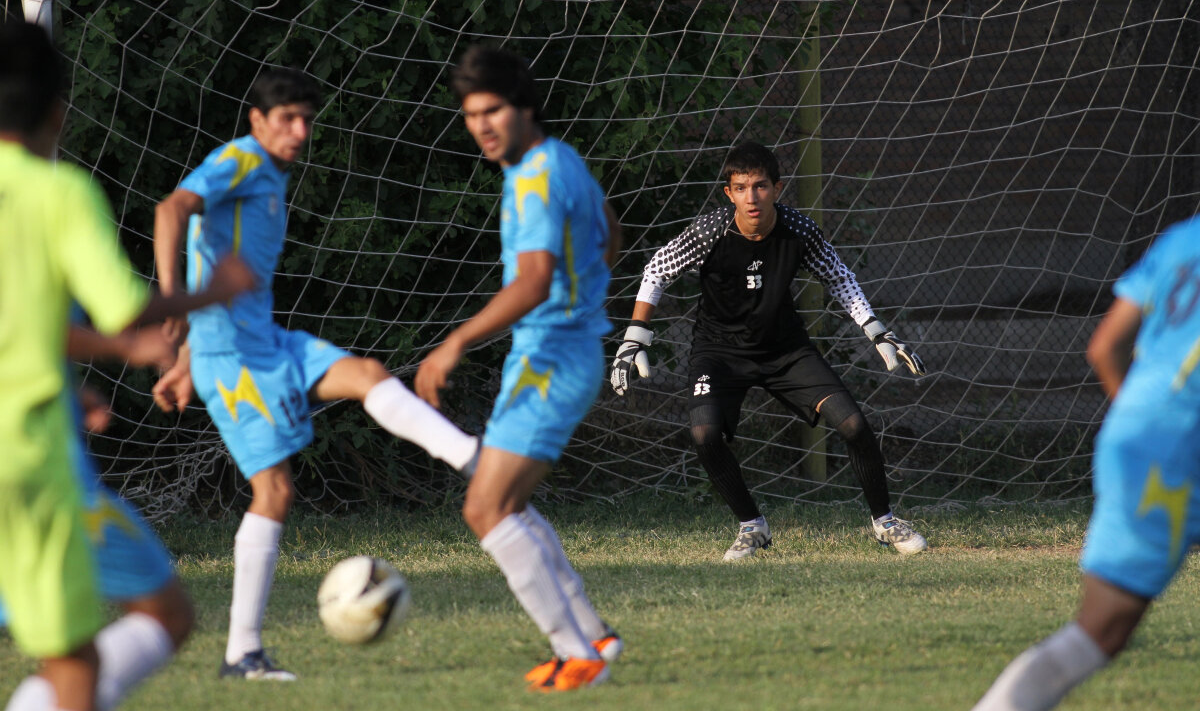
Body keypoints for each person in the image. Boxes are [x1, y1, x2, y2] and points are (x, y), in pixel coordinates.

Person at [152, 66, 481, 681]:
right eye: (287, 119)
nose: (299, 131)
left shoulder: (270, 175)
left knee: (367, 374)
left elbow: (208, 261)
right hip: (237, 360)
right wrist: (173, 305)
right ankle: (242, 652)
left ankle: (471, 459)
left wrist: (186, 360)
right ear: (257, 120)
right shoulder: (240, 160)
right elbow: (172, 211)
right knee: (274, 492)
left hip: (265, 342)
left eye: (307, 120)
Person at [0, 20, 253, 711]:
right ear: (58, 112)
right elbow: (124, 308)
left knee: (122, 632)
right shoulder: (57, 194)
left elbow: (28, 324)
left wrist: (80, 375)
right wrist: (213, 292)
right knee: (79, 659)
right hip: (33, 461)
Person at [415, 45, 622, 692]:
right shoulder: (561, 160)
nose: (481, 125)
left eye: (493, 110)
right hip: (554, 354)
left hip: (552, 359)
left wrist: (454, 342)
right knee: (504, 502)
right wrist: (585, 297)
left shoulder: (535, 177)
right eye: (472, 114)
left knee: (486, 507)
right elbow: (611, 233)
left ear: (525, 107)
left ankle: (577, 654)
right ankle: (593, 636)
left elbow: (533, 281)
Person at [610, 142, 928, 560]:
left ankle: (885, 522)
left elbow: (838, 276)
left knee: (853, 424)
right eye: (741, 188)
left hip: (785, 349)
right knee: (704, 434)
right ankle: (752, 526)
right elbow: (657, 268)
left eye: (760, 186)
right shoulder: (710, 232)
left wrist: (876, 330)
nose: (752, 197)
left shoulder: (798, 230)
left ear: (777, 188)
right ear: (729, 193)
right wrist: (635, 336)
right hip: (719, 352)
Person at [971, 212, 1200, 710]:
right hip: (1176, 453)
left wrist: (1141, 422)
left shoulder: (1184, 239)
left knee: (1100, 630)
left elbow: (1105, 348)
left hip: (1140, 436)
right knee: (1103, 629)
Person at [5, 322, 193, 711]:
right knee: (84, 653)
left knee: (77, 657)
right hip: (42, 479)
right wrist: (130, 344)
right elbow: (30, 324)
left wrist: (65, 393)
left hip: (41, 471)